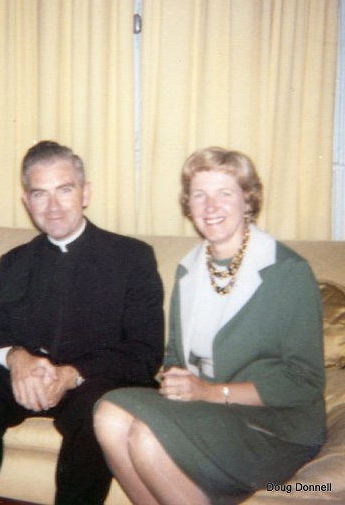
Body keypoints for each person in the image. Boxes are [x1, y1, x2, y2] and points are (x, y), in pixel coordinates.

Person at [0, 140, 164, 504]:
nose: (53, 207)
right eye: (40, 194)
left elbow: (145, 353)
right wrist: (17, 359)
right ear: (27, 202)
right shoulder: (16, 261)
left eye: (65, 190)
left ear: (85, 193)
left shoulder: (132, 257)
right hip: (29, 382)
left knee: (98, 408)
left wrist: (72, 373)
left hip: (93, 383)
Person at [93, 146, 326, 505]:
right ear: (188, 205)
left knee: (147, 437)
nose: (210, 206)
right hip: (209, 415)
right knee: (108, 415)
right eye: (199, 195)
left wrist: (208, 392)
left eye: (224, 193)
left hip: (275, 427)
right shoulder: (189, 269)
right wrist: (178, 380)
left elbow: (304, 381)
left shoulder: (287, 272)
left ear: (247, 200)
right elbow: (174, 354)